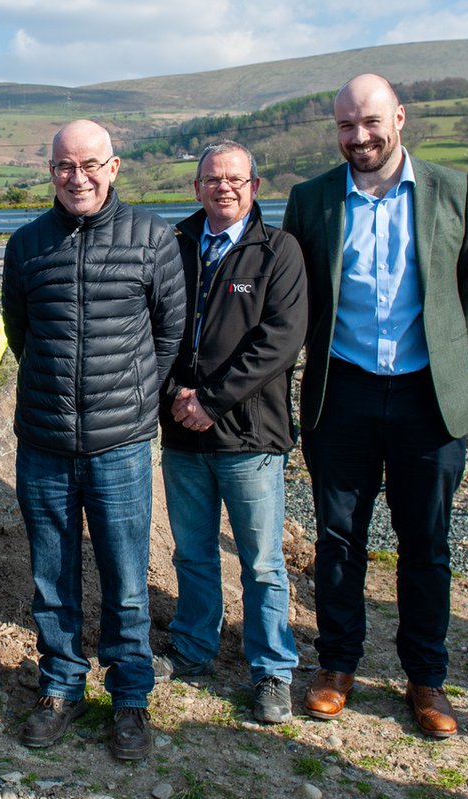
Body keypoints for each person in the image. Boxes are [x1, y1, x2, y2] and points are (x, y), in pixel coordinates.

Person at [282, 74, 468, 739]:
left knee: (425, 542)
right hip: (341, 391)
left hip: (426, 397)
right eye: (346, 125)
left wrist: (437, 348)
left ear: (399, 117)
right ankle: (337, 665)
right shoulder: (312, 199)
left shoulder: (452, 190)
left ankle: (425, 678)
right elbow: (296, 296)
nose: (359, 136)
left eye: (370, 121)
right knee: (338, 538)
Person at [1, 120, 186, 761]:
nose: (75, 177)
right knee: (51, 578)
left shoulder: (153, 238)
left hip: (122, 445)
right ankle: (61, 686)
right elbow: (20, 333)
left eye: (88, 165)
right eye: (62, 166)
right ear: (49, 171)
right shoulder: (26, 245)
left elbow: (169, 333)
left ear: (114, 167)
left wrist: (131, 401)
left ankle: (130, 698)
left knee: (127, 579)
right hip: (45, 442)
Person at [159, 140, 306, 724]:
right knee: (193, 554)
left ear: (255, 185)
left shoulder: (279, 251)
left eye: (235, 179)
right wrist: (174, 396)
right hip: (182, 435)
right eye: (212, 179)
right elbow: (151, 327)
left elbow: (280, 340)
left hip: (250, 436)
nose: (224, 187)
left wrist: (212, 401)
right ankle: (194, 649)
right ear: (196, 187)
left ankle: (271, 669)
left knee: (263, 562)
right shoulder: (173, 245)